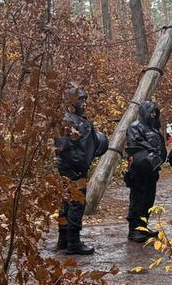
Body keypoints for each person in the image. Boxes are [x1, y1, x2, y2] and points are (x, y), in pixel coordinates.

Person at [53, 87, 107, 255]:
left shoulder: (75, 119)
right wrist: (80, 165)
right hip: (73, 169)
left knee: (66, 202)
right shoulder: (69, 121)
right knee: (75, 204)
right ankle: (73, 242)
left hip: (70, 167)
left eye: (84, 100)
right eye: (80, 100)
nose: (84, 103)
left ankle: (64, 239)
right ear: (71, 101)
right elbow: (67, 146)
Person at [125, 101, 167, 243]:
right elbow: (136, 144)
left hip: (152, 169)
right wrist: (153, 152)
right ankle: (134, 230)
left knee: (149, 199)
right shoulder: (135, 127)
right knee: (138, 198)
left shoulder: (154, 128)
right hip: (139, 169)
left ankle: (143, 226)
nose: (153, 115)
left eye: (155, 112)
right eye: (151, 112)